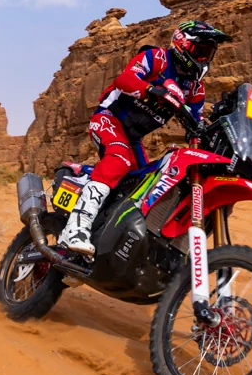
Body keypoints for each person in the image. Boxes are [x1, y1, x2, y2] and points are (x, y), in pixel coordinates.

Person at [59, 20, 232, 255]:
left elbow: (195, 124)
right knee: (119, 160)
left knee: (146, 184)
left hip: (133, 137)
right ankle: (75, 228)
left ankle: (108, 235)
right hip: (109, 119)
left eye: (208, 54)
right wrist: (151, 90)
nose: (204, 59)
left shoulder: (195, 89)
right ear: (183, 45)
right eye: (200, 52)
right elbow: (124, 80)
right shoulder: (156, 58)